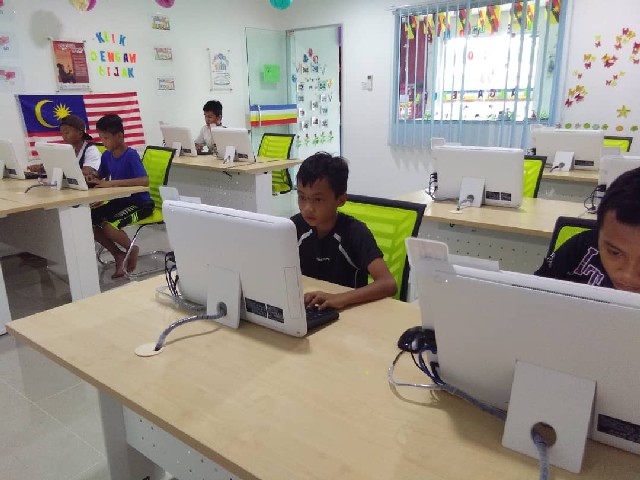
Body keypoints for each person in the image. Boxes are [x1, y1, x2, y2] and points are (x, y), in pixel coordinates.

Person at [291, 152, 397, 309]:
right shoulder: (294, 226)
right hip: (311, 306)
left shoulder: (355, 232)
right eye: (302, 197)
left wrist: (340, 298)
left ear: (340, 200)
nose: (307, 208)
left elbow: (388, 284)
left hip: (352, 311)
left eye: (318, 199)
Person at [535, 166, 640, 293]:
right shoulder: (581, 248)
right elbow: (534, 293)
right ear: (599, 232)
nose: (628, 276)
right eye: (614, 253)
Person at [87, 114, 154, 279]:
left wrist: (111, 184)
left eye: (106, 138)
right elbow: (100, 176)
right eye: (101, 138)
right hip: (121, 200)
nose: (103, 142)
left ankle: (132, 249)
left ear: (119, 136)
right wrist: (91, 177)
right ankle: (117, 254)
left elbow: (144, 180)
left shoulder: (130, 155)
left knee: (109, 226)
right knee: (89, 220)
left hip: (141, 203)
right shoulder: (106, 156)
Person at [28, 114, 101, 176]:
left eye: (66, 133)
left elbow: (87, 172)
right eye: (62, 133)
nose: (64, 136)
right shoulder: (68, 150)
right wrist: (42, 168)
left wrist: (61, 172)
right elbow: (57, 165)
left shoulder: (91, 150)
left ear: (80, 134)